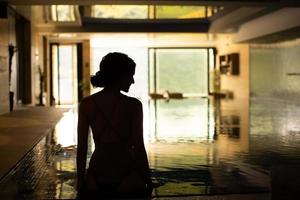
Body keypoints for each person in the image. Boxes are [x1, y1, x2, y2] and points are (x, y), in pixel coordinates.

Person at [76, 52, 152, 198]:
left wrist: (81, 181)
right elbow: (139, 148)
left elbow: (82, 147)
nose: (133, 81)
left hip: (96, 176)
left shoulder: (87, 104)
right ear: (120, 76)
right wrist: (148, 181)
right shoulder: (134, 105)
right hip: (126, 176)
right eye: (130, 75)